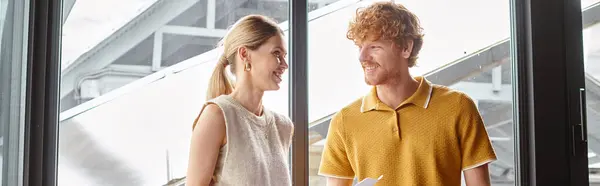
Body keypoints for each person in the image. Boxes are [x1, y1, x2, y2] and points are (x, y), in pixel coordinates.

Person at [318, 2, 497, 186]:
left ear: (406, 48)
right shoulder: (344, 121)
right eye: (360, 47)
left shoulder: (458, 107)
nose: (362, 57)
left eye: (374, 47)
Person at [186, 14, 293, 186]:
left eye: (284, 55)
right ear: (245, 54)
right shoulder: (217, 116)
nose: (285, 65)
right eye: (276, 53)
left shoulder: (283, 126)